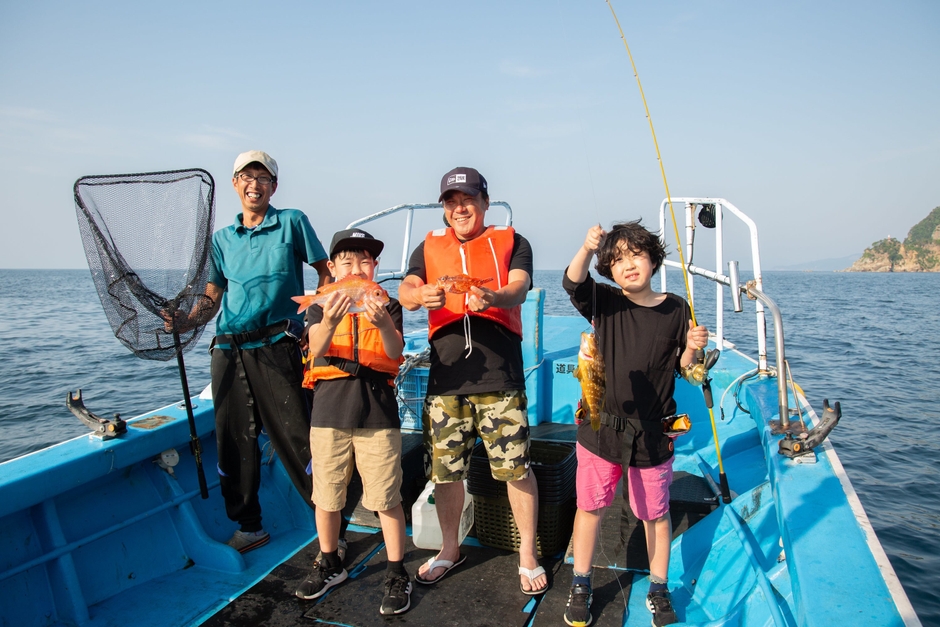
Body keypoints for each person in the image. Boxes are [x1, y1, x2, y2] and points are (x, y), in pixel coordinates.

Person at [168, 150, 336, 554]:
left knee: (298, 436)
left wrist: (313, 320)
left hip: (278, 345)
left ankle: (331, 521)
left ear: (273, 187)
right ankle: (249, 525)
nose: (254, 184)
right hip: (227, 348)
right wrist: (185, 322)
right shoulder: (221, 240)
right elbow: (212, 295)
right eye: (246, 176)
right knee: (232, 441)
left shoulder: (292, 221)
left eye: (262, 178)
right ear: (234, 184)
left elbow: (326, 273)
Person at [397, 166, 548, 596]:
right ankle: (449, 549)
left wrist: (493, 297)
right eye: (450, 202)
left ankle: (528, 555)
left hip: (499, 373)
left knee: (516, 468)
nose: (459, 208)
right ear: (444, 208)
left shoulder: (514, 242)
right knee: (445, 473)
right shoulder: (428, 248)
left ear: (484, 201)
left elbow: (518, 288)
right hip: (446, 379)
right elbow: (407, 289)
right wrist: (417, 295)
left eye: (467, 199)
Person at [561, 221, 708, 627]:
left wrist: (692, 350)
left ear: (653, 259)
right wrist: (587, 248)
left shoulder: (677, 308)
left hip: (653, 434)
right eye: (617, 259)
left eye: (636, 255)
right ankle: (580, 581)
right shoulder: (605, 302)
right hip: (599, 430)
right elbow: (573, 283)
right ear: (609, 269)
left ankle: (658, 588)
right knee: (590, 508)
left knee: (655, 515)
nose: (628, 265)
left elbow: (683, 367)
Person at [293, 228, 412, 615]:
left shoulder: (387, 305)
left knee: (386, 498)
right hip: (328, 410)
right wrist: (328, 317)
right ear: (332, 268)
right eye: (348, 262)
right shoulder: (319, 306)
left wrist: (381, 325)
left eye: (365, 261)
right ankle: (330, 563)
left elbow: (393, 351)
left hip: (377, 410)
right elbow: (317, 347)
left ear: (375, 268)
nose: (357, 268)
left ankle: (396, 572)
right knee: (326, 495)